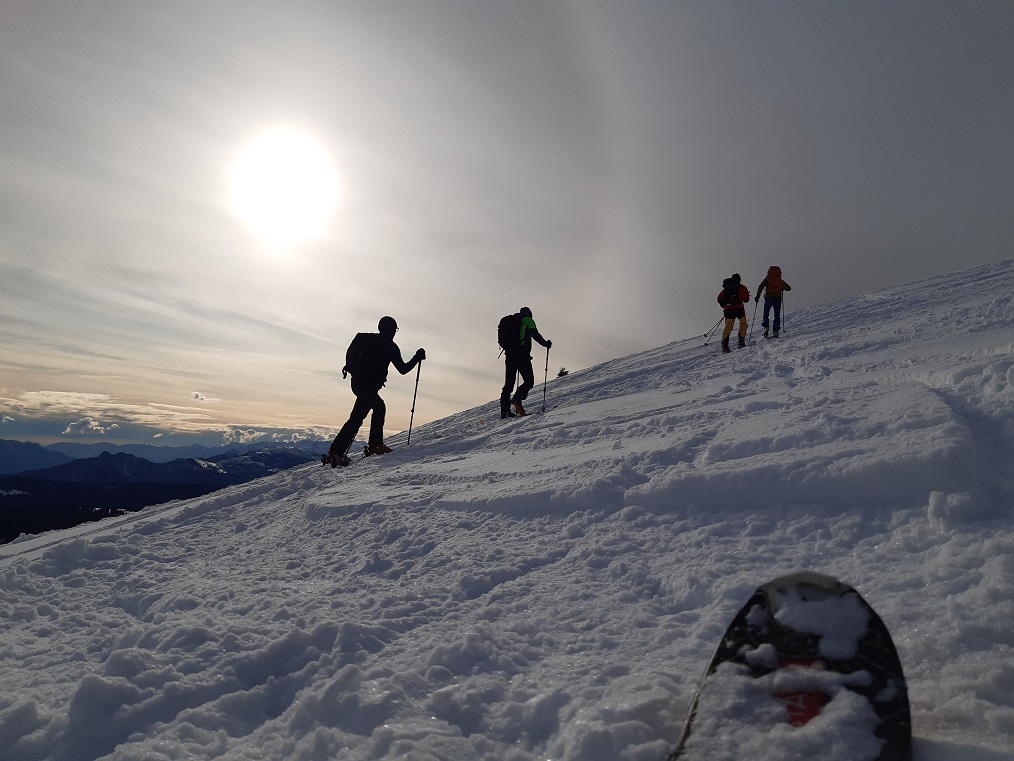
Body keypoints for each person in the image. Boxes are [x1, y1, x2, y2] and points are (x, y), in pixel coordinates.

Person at [324, 316, 425, 467]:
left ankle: (370, 446)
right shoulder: (390, 347)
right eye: (395, 330)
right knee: (359, 417)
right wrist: (417, 357)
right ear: (392, 330)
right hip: (368, 387)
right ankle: (339, 452)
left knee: (376, 408)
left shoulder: (366, 340)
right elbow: (403, 369)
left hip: (357, 383)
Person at [500, 306, 551, 418]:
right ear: (529, 314)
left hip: (509, 356)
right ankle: (517, 399)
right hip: (522, 356)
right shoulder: (528, 320)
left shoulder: (509, 321)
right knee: (529, 381)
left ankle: (504, 411)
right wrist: (546, 344)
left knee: (509, 383)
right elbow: (535, 334)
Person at [755, 266, 792, 338]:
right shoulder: (779, 280)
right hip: (777, 298)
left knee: (766, 313)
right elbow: (789, 288)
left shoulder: (767, 279)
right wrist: (782, 288)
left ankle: (766, 328)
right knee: (776, 315)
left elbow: (760, 286)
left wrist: (757, 296)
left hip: (768, 297)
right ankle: (775, 331)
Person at [717, 273, 750, 353]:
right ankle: (741, 341)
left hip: (728, 311)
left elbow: (719, 299)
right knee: (743, 323)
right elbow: (746, 299)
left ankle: (724, 346)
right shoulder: (741, 287)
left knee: (728, 326)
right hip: (739, 309)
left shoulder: (726, 289)